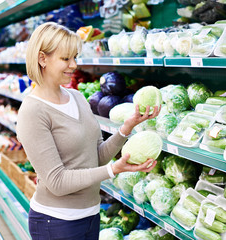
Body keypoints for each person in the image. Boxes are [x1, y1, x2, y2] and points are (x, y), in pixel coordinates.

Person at [16, 22, 160, 240]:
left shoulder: (77, 98)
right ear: (42, 59)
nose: (74, 65)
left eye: (75, 57)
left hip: (91, 215)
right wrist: (114, 170)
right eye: (66, 58)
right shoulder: (33, 111)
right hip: (56, 222)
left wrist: (125, 129)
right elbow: (57, 181)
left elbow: (96, 158)